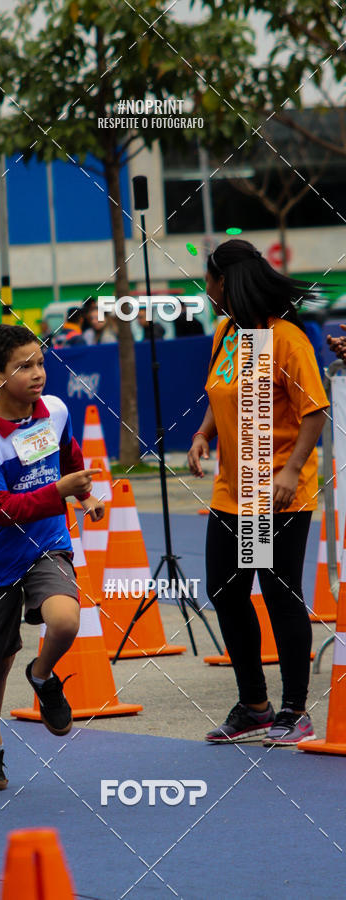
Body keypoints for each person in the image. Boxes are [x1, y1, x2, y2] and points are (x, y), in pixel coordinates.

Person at [187, 239, 328, 746]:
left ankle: (294, 710)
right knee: (225, 590)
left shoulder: (285, 338)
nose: (206, 291)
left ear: (227, 282)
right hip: (233, 491)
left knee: (277, 591)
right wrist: (204, 433)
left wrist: (291, 471)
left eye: (209, 280)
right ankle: (254, 705)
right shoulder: (228, 334)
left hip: (276, 492)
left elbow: (314, 411)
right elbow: (220, 393)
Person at [0, 324, 105, 790]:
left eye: (40, 362)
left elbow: (67, 457)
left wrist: (82, 495)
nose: (37, 373)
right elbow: (2, 510)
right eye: (23, 366)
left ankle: (43, 677)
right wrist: (58, 492)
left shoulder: (57, 411)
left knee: (66, 620)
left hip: (47, 543)